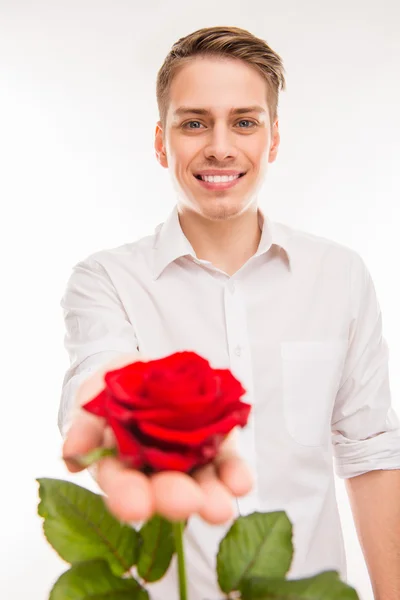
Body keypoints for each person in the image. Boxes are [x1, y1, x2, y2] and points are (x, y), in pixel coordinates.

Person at [59, 26, 400, 600]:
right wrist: (109, 408)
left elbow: (370, 454)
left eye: (244, 121)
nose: (220, 145)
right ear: (161, 142)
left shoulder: (339, 275)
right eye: (194, 122)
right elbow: (100, 366)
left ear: (273, 139)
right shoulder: (107, 280)